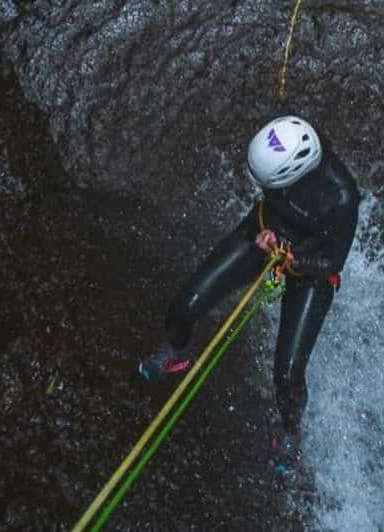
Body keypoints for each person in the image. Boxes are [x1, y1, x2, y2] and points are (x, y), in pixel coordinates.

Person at [138, 113, 361, 471]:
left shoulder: (342, 197)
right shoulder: (283, 140)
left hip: (309, 269)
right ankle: (173, 352)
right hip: (263, 230)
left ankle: (290, 431)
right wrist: (267, 235)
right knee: (185, 306)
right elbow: (269, 198)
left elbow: (332, 262)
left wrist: (290, 259)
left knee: (287, 373)